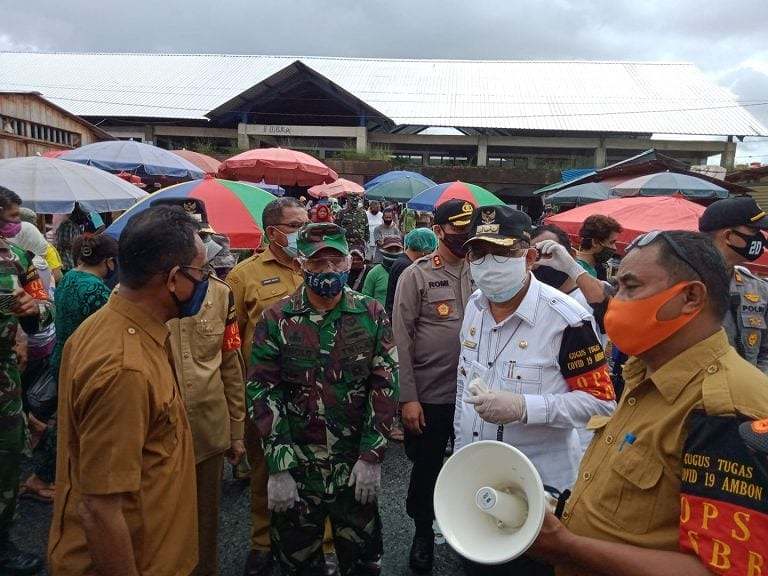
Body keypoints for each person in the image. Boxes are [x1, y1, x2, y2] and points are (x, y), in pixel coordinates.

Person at [529, 231, 768, 576]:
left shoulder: (726, 408)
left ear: (690, 296)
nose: (615, 302)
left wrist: (567, 546)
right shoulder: (645, 371)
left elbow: (721, 570)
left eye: (631, 287)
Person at [454, 207, 616, 576]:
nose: (488, 263)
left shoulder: (566, 319)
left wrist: (525, 407)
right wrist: (460, 458)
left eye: (501, 252)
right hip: (477, 481)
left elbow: (602, 406)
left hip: (539, 496)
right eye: (478, 253)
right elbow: (465, 383)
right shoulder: (475, 307)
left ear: (528, 257)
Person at [48, 206, 202, 576]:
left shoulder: (111, 326)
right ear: (174, 280)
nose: (206, 282)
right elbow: (100, 509)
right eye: (201, 272)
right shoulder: (125, 368)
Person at [247, 222, 398, 576]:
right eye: (318, 263)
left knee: (363, 563)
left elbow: (385, 384)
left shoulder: (372, 314)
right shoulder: (276, 319)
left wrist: (371, 456)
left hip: (353, 469)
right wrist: (279, 468)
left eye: (336, 261)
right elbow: (263, 391)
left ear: (350, 263)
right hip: (299, 472)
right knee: (298, 565)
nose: (328, 271)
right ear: (301, 265)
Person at [392, 199, 475, 573]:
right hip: (432, 393)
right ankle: (423, 532)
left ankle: (474, 532)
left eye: (469, 230)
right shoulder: (417, 275)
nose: (465, 238)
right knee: (426, 467)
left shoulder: (485, 268)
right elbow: (401, 340)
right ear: (439, 231)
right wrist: (408, 398)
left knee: (474, 465)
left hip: (475, 396)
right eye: (458, 232)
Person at [227, 197, 308, 575]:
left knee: (313, 470)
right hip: (265, 392)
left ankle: (316, 542)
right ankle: (261, 542)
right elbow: (231, 341)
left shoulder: (315, 266)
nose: (302, 233)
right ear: (273, 231)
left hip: (314, 392)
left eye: (304, 224)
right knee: (264, 471)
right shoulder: (243, 276)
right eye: (294, 227)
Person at [168, 233, 246, 576]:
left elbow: (230, 362)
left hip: (208, 428)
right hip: (161, 433)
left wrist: (236, 429)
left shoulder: (220, 293)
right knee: (163, 524)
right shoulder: (142, 295)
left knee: (206, 524)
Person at [23, 233, 118, 507]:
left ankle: (47, 470)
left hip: (61, 357)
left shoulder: (69, 279)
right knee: (71, 423)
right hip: (82, 364)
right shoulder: (96, 290)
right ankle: (41, 478)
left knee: (65, 419)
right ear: (109, 262)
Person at [0, 186, 53, 576]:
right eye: (7, 217)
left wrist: (33, 310)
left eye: (14, 217)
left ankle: (3, 545)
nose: (12, 225)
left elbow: (47, 311)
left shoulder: (17, 258)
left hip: (6, 380)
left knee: (7, 456)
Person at [699, 196, 768, 372]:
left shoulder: (758, 289)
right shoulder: (680, 284)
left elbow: (765, 352)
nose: (761, 239)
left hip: (748, 395)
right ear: (729, 236)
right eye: (754, 231)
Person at [385, 228, 438, 316]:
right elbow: (407, 301)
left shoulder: (404, 261)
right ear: (424, 251)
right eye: (431, 251)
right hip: (399, 317)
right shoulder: (405, 266)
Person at [575, 214, 622, 280]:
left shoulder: (599, 268)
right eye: (611, 242)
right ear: (595, 242)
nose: (614, 248)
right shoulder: (576, 270)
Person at [362, 236, 404, 307]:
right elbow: (366, 299)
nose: (393, 252)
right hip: (379, 316)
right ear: (382, 250)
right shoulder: (374, 273)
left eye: (397, 249)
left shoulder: (406, 272)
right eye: (389, 249)